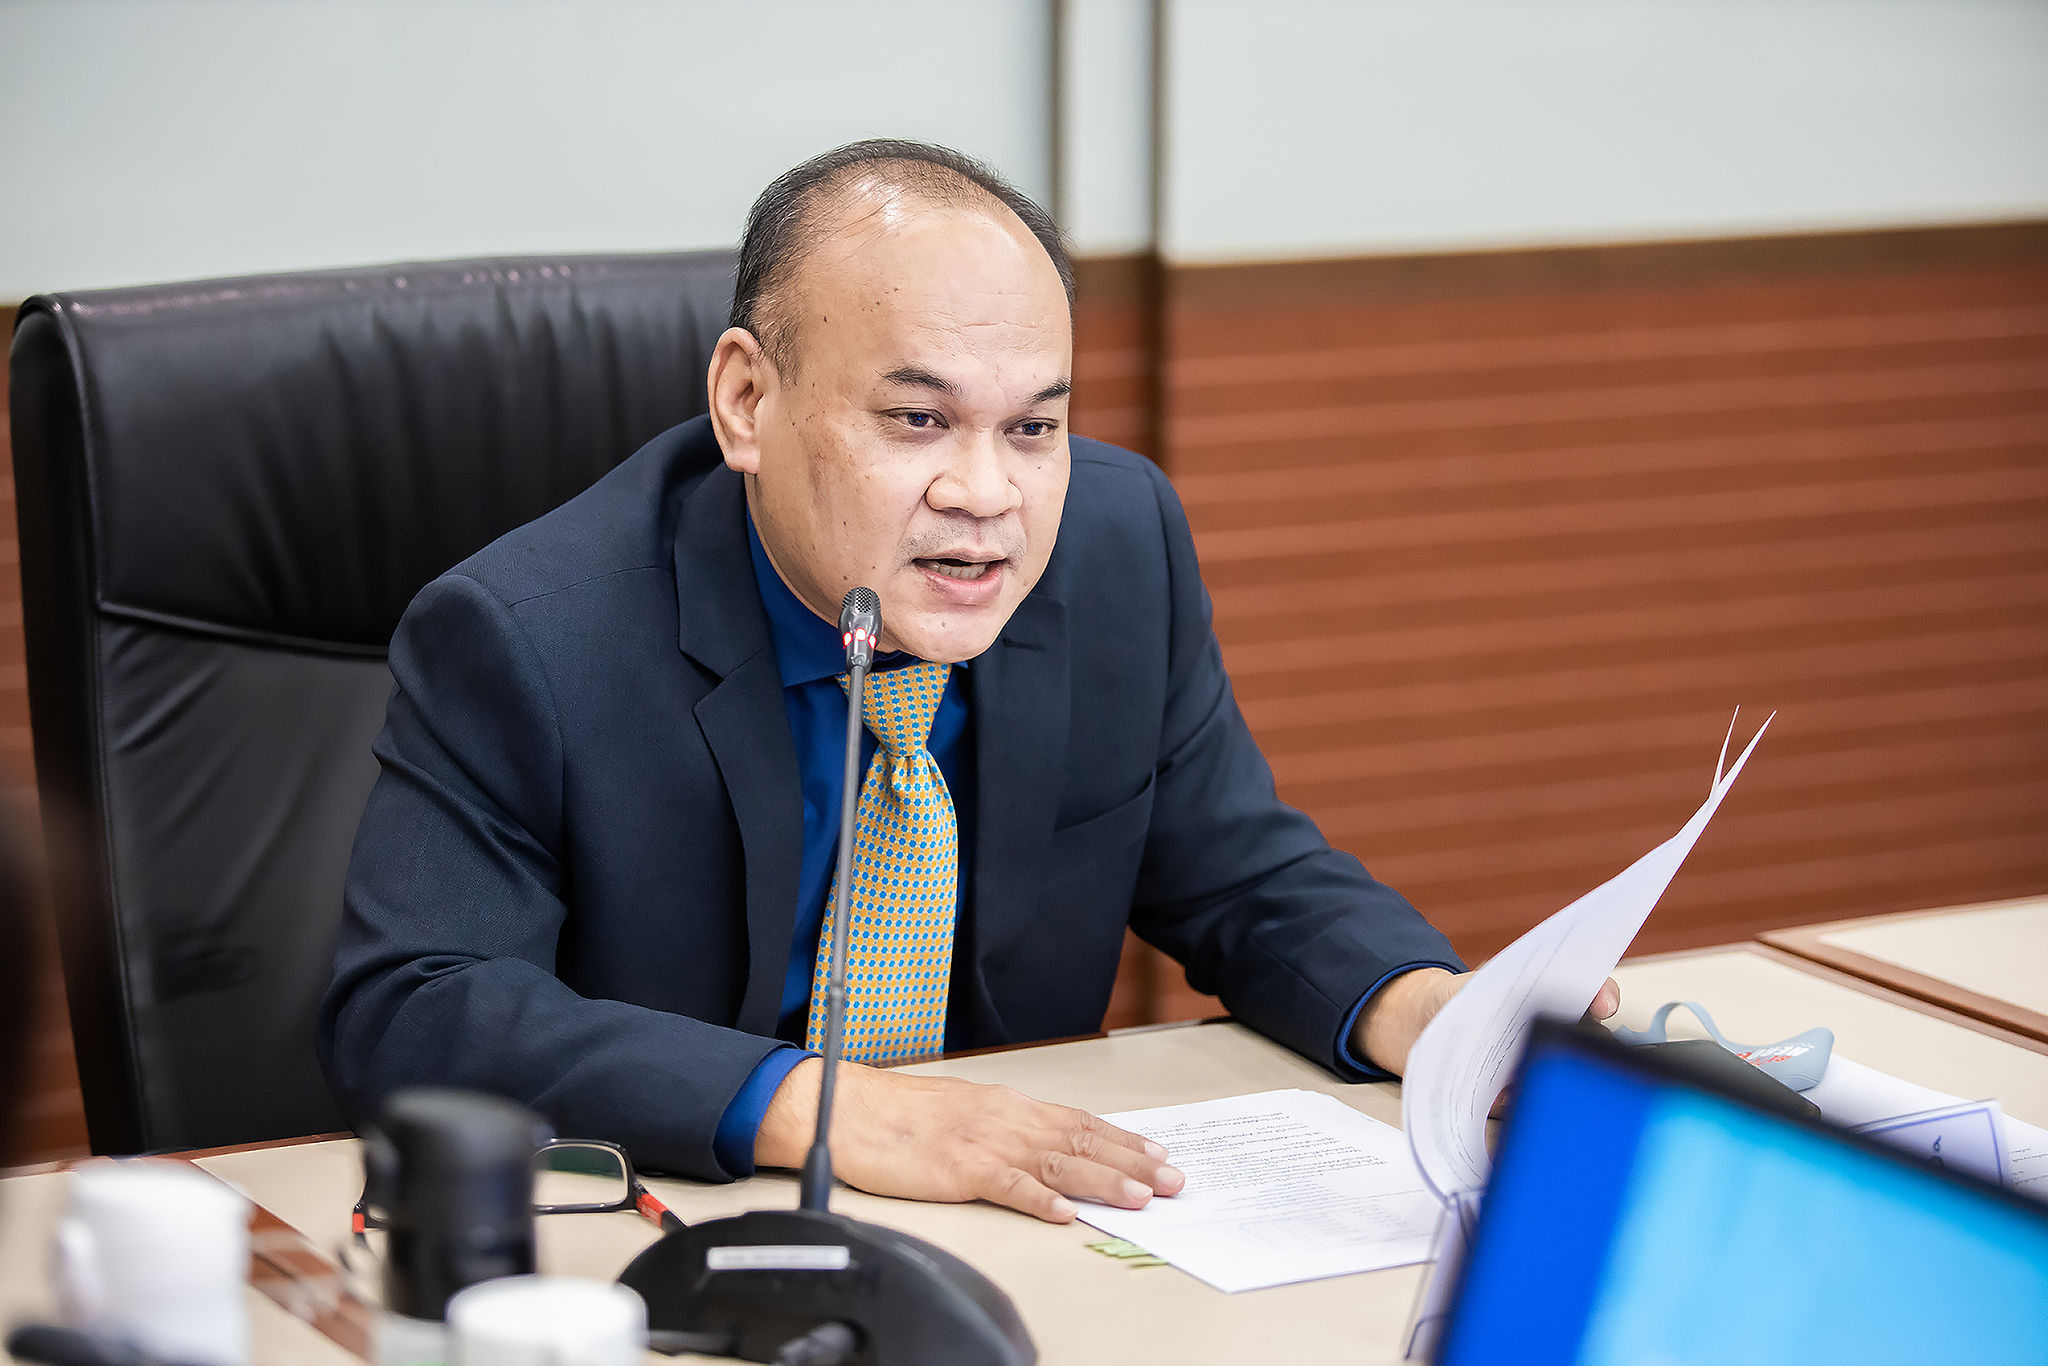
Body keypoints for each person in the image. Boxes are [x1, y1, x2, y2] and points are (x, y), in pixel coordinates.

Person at [319, 139, 1618, 1224]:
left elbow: (1238, 870)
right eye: (919, 420)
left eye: (1035, 426)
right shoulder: (529, 634)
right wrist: (835, 1107)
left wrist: (1435, 1016)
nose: (988, 495)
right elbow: (416, 1007)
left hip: (1017, 1229)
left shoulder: (1116, 547)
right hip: (692, 1222)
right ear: (747, 402)